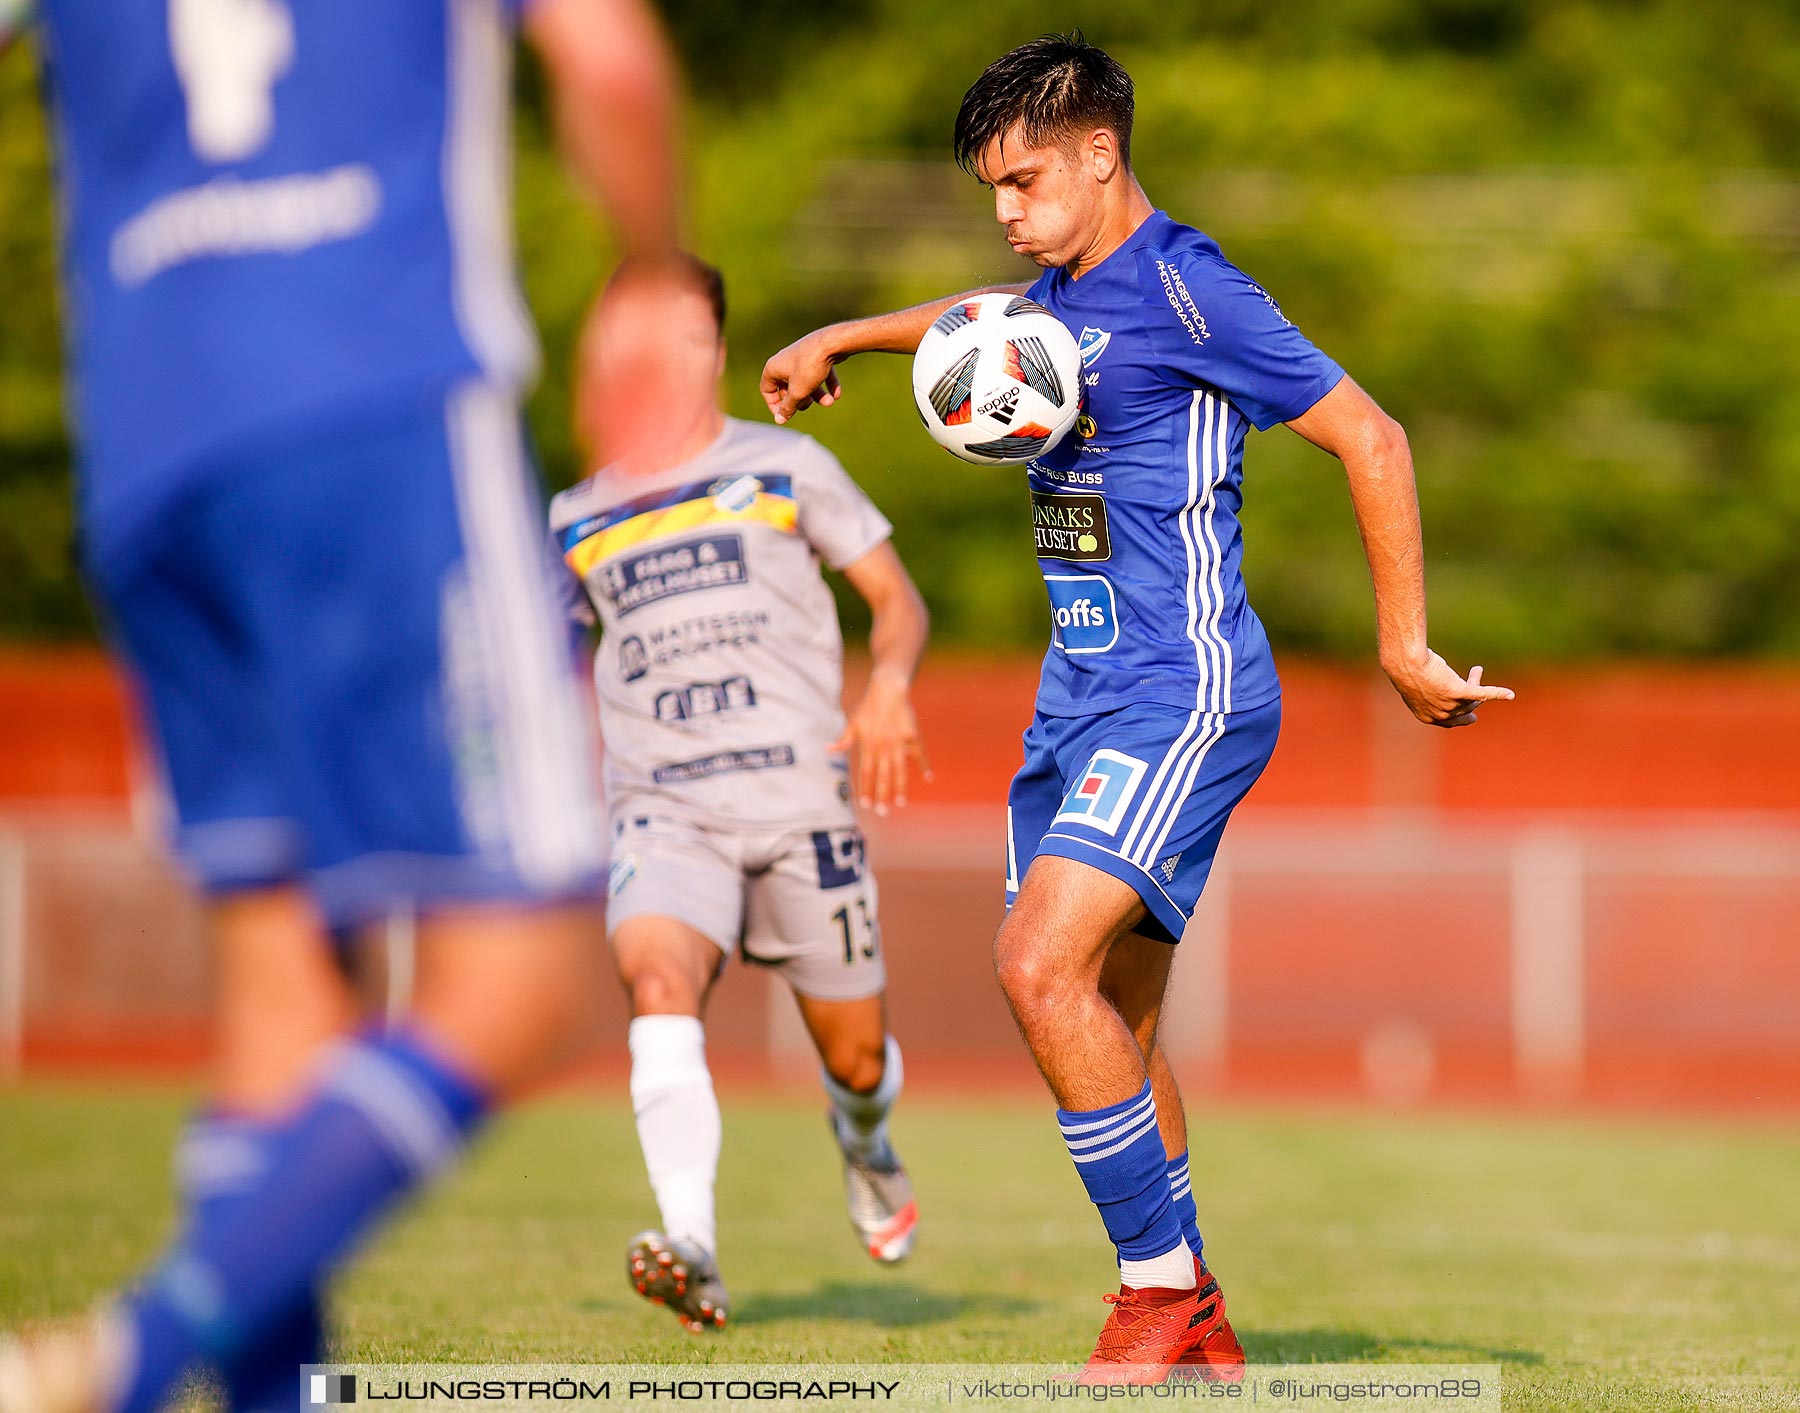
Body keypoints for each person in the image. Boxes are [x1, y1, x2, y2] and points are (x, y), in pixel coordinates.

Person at [759, 33, 1514, 1384]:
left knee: (1033, 965)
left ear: (1103, 157)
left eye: (1027, 178)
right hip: (1077, 704)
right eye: (993, 185)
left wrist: (1402, 642)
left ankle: (1153, 1294)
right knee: (1111, 1020)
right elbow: (973, 321)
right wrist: (844, 336)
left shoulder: (1188, 286)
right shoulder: (1057, 296)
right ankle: (1199, 1304)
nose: (1008, 207)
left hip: (1185, 691)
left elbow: (1373, 434)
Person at [0, 1, 681, 1408]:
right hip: (377, 403)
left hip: (146, 455)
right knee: (515, 973)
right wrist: (650, 271)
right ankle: (139, 1349)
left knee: (282, 970)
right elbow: (608, 59)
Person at [551, 254, 931, 1334]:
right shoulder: (576, 517)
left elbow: (894, 602)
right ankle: (693, 1245)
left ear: (716, 350)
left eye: (688, 336)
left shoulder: (785, 467)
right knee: (659, 985)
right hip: (663, 810)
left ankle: (865, 1143)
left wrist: (890, 685)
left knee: (856, 1060)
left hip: (802, 806)